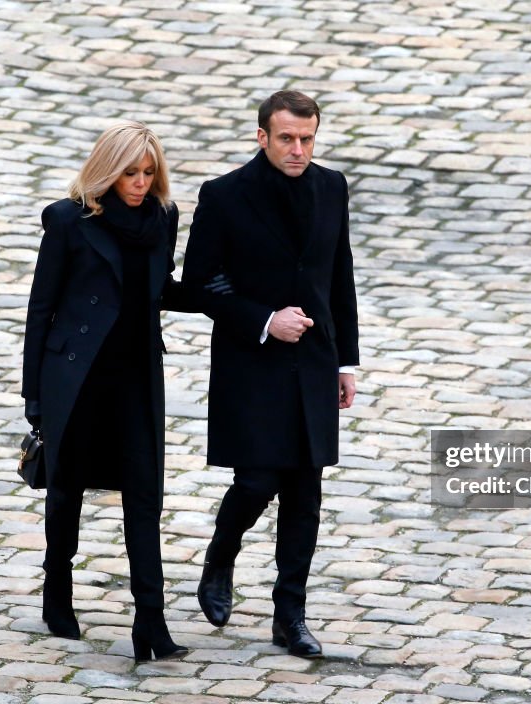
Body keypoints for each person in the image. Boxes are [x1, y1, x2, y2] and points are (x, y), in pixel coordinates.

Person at [183, 90, 359, 658]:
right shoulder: (225, 195)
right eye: (287, 138)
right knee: (258, 481)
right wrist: (264, 320)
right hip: (251, 361)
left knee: (305, 493)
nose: (298, 149)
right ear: (263, 136)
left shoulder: (332, 187)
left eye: (307, 139)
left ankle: (291, 616)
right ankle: (221, 555)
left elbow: (340, 277)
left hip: (313, 360)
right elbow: (200, 284)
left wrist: (345, 360)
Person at [22, 121, 206, 661]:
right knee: (67, 491)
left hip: (135, 376)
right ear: (108, 169)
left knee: (145, 496)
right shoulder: (67, 220)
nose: (140, 183)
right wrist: (34, 392)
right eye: (130, 172)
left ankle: (152, 619)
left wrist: (225, 294)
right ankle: (58, 593)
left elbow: (161, 290)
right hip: (77, 379)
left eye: (149, 173)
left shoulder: (163, 218)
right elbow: (41, 308)